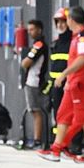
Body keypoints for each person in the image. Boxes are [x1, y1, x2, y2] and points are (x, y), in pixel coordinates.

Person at [37, 6, 84, 162]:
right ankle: (56, 148)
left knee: (83, 116)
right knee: (63, 115)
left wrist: (64, 74)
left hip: (80, 83)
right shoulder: (77, 37)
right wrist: (68, 78)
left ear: (71, 20)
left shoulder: (82, 38)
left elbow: (82, 59)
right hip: (73, 82)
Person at [19, 19, 50, 149]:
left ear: (39, 30)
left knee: (36, 111)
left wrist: (24, 61)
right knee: (34, 110)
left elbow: (26, 63)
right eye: (29, 29)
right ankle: (37, 140)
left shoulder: (39, 45)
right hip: (34, 81)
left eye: (32, 29)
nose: (30, 32)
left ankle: (37, 140)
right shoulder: (38, 45)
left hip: (34, 82)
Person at [47, 7, 72, 140]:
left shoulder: (72, 42)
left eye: (63, 21)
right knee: (57, 114)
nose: (60, 25)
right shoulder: (55, 44)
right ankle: (57, 141)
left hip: (69, 84)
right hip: (56, 86)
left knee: (69, 114)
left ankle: (70, 142)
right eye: (57, 22)